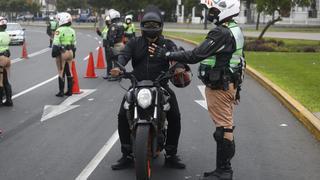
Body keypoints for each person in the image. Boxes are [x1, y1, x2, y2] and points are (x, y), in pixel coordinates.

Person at [149, 0, 245, 179]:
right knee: (226, 128)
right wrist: (237, 87)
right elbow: (240, 61)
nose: (211, 13)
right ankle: (223, 169)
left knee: (223, 129)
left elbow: (196, 55)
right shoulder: (235, 29)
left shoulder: (220, 32)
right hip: (228, 84)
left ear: (225, 10)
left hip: (219, 86)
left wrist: (167, 54)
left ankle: (224, 171)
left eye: (214, 10)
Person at [110, 6, 189, 170]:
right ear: (143, 26)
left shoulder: (168, 44)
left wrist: (179, 68)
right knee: (122, 115)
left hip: (161, 85)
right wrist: (118, 67)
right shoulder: (134, 42)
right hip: (137, 85)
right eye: (148, 25)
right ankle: (127, 154)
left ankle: (171, 154)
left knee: (175, 116)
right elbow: (124, 56)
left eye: (155, 25)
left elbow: (177, 58)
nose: (151, 28)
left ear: (160, 26)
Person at [51, 12, 76, 97]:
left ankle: (61, 92)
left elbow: (56, 43)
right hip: (70, 52)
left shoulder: (59, 30)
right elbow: (74, 44)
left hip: (63, 52)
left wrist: (54, 53)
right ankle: (70, 91)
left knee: (61, 71)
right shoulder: (72, 30)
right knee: (70, 71)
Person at [105, 9, 125, 81]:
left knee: (114, 61)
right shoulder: (121, 24)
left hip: (116, 45)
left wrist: (110, 46)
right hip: (121, 43)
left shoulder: (113, 25)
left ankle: (115, 76)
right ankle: (119, 74)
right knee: (119, 60)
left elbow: (111, 37)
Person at [0, 17, 13, 107]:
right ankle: (9, 100)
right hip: (7, 58)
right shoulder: (6, 34)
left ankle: (0, 101)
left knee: (0, 81)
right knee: (6, 81)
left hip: (0, 58)